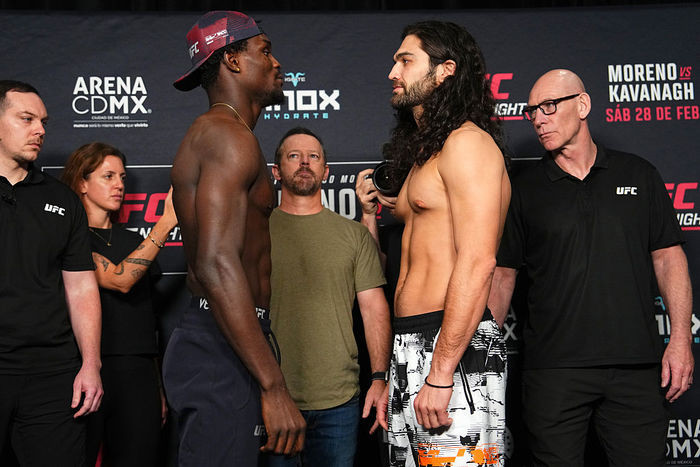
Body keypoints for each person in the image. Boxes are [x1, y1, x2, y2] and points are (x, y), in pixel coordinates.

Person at [487, 68, 694, 467]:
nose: (538, 118)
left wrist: (681, 339)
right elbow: (503, 276)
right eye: (532, 111)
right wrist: (486, 353)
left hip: (636, 367)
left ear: (582, 105)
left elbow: (669, 257)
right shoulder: (522, 188)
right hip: (553, 370)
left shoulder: (639, 174)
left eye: (549, 106)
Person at [162, 11, 305, 466]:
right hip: (219, 345)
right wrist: (273, 386)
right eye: (265, 51)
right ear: (233, 60)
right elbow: (215, 263)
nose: (277, 62)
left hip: (229, 339)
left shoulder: (225, 133)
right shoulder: (227, 137)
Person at [375, 22, 511, 467]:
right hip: (409, 343)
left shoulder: (467, 145)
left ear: (445, 70)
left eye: (406, 60)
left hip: (452, 347)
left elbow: (478, 261)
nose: (393, 72)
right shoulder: (425, 155)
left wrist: (440, 371)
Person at [265, 127, 392, 467]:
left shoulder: (354, 235)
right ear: (276, 171)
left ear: (326, 171)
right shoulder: (256, 232)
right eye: (294, 156)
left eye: (314, 156)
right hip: (273, 397)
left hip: (338, 400)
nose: (305, 162)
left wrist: (379, 377)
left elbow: (374, 309)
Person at [0, 80, 103, 466]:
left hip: (52, 373)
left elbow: (81, 287)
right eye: (27, 119)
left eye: (43, 121)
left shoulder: (62, 199)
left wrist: (90, 364)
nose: (40, 130)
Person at [61, 142, 177, 466]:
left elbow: (149, 319)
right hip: (85, 371)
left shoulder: (135, 242)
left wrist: (157, 386)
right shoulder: (69, 238)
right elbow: (120, 279)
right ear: (82, 183)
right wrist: (166, 222)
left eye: (122, 177)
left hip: (137, 374)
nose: (119, 185)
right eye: (108, 176)